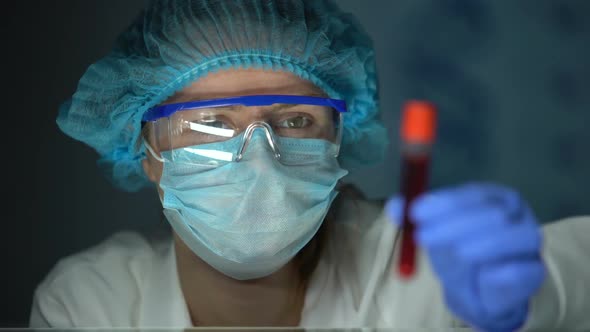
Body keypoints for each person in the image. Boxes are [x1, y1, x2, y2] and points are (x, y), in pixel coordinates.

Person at [30, 0, 590, 330]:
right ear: (146, 151)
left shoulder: (419, 270)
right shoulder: (94, 305)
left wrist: (531, 295)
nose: (257, 155)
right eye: (209, 121)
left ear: (338, 139)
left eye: (295, 119)